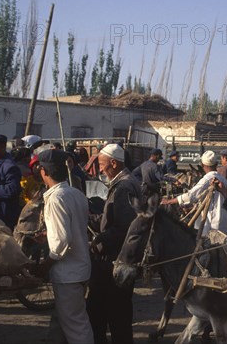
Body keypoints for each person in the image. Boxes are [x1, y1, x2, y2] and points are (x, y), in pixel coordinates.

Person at [35, 149, 94, 344]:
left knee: (77, 327)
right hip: (80, 269)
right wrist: (48, 235)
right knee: (67, 323)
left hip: (68, 273)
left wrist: (44, 266)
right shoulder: (75, 194)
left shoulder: (56, 198)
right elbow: (73, 230)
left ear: (44, 172)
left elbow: (61, 241)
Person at [87, 144, 141, 344]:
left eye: (101, 165)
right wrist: (93, 218)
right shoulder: (124, 182)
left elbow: (125, 228)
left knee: (109, 310)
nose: (100, 169)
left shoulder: (124, 186)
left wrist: (99, 240)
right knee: (113, 310)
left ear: (113, 163)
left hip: (116, 259)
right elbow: (113, 218)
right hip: (117, 257)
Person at [161, 151, 227, 236]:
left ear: (202, 165)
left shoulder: (208, 179)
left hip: (212, 224)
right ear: (216, 164)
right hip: (224, 223)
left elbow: (191, 196)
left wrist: (168, 201)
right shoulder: (222, 179)